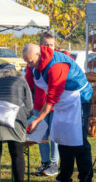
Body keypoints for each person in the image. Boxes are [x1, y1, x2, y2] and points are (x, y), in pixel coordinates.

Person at [23, 43, 94, 182]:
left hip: (78, 99)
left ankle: (85, 177)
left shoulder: (56, 66)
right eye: (27, 62)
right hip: (63, 102)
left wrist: (37, 120)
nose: (29, 65)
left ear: (38, 55)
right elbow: (28, 84)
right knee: (62, 139)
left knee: (79, 141)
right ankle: (64, 176)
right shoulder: (34, 64)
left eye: (30, 62)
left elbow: (52, 97)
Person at [24, 32, 69, 176]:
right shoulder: (33, 62)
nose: (49, 48)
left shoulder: (58, 60)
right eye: (46, 45)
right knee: (41, 134)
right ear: (40, 47)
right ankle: (45, 162)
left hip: (55, 104)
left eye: (51, 45)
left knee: (54, 135)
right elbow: (28, 82)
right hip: (39, 104)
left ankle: (54, 163)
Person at [0, 64, 33, 182]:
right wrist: (24, 117)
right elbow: (29, 106)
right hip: (16, 118)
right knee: (17, 153)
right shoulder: (21, 81)